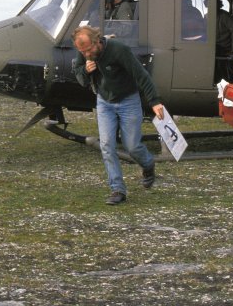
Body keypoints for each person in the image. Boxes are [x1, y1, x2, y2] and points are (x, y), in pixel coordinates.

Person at [71, 25, 165, 205]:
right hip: (104, 102)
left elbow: (141, 75)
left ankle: (148, 165)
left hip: (128, 100)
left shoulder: (118, 50)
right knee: (106, 145)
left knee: (132, 146)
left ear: (97, 41)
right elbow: (81, 79)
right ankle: (117, 189)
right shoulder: (84, 53)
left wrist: (154, 101)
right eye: (83, 52)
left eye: (89, 50)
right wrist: (85, 70)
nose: (87, 54)